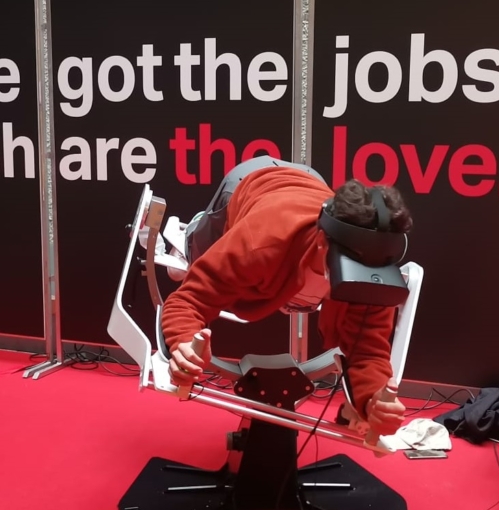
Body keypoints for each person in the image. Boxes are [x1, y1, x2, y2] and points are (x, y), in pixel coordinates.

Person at [162, 156, 412, 437]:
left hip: (309, 184)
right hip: (249, 182)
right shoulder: (259, 242)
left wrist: (374, 401)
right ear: (321, 242)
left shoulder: (375, 269)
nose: (362, 280)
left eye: (370, 272)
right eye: (353, 269)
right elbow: (188, 300)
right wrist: (184, 343)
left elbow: (368, 351)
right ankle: (189, 234)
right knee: (196, 257)